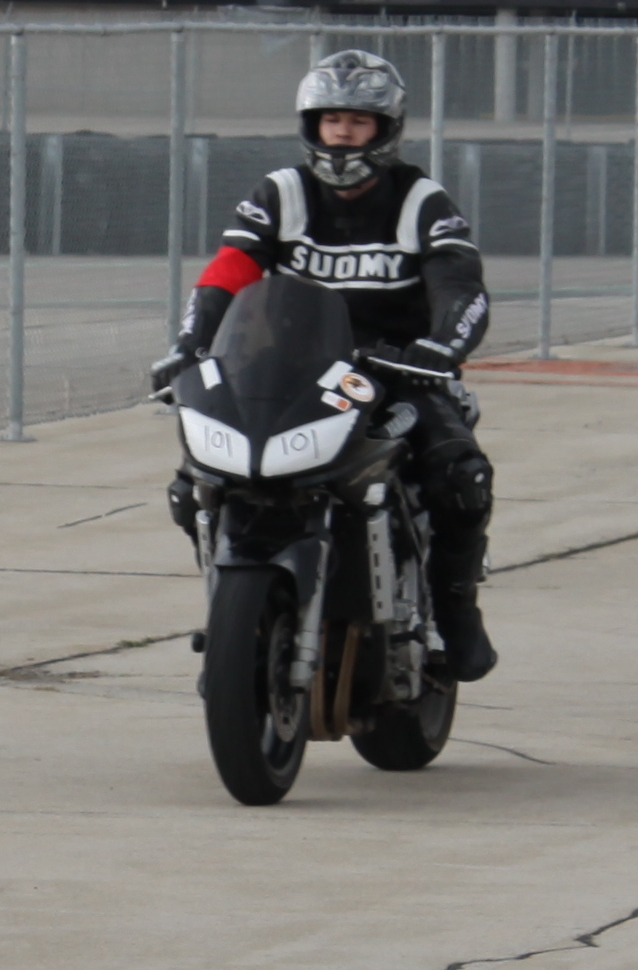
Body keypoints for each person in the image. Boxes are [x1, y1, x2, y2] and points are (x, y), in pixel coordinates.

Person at [156, 49, 503, 681]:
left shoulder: (421, 200)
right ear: (310, 124)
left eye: (358, 121)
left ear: (385, 129)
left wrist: (441, 347)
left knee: (461, 476)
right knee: (196, 481)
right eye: (331, 119)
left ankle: (455, 607)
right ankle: (233, 610)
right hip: (290, 370)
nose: (342, 133)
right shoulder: (281, 193)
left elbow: (460, 283)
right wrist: (189, 344)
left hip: (395, 372)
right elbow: (229, 272)